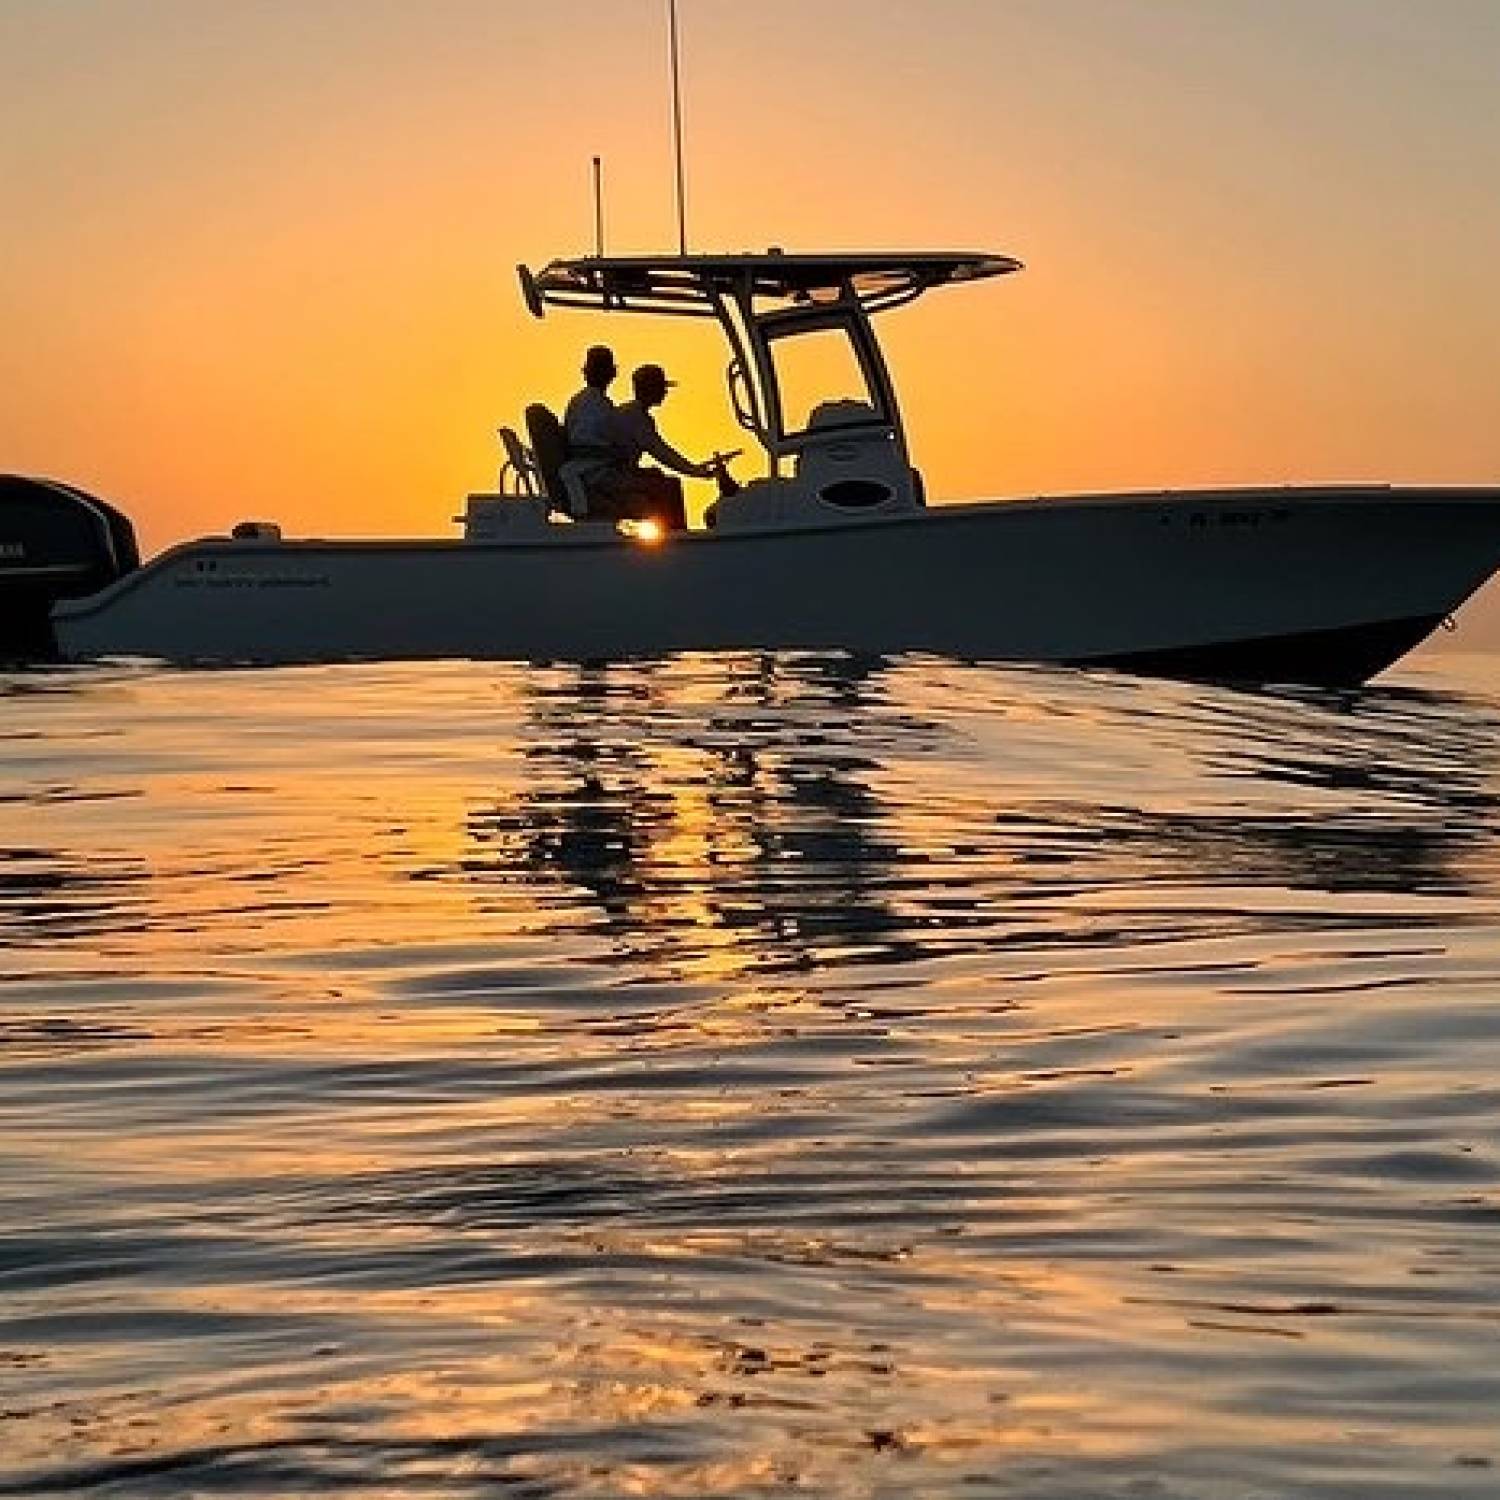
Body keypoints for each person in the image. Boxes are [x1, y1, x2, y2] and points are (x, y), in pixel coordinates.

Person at [591, 363, 718, 531]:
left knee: (658, 477)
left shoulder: (631, 412)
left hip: (615, 473)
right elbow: (661, 452)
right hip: (610, 478)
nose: (665, 392)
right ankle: (677, 537)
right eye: (661, 387)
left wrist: (693, 468)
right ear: (650, 389)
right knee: (670, 488)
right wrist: (696, 471)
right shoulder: (637, 417)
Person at [562, 345, 621, 494]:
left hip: (595, 470)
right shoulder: (593, 404)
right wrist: (616, 454)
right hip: (595, 475)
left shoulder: (580, 400)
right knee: (661, 486)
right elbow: (582, 447)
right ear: (610, 373)